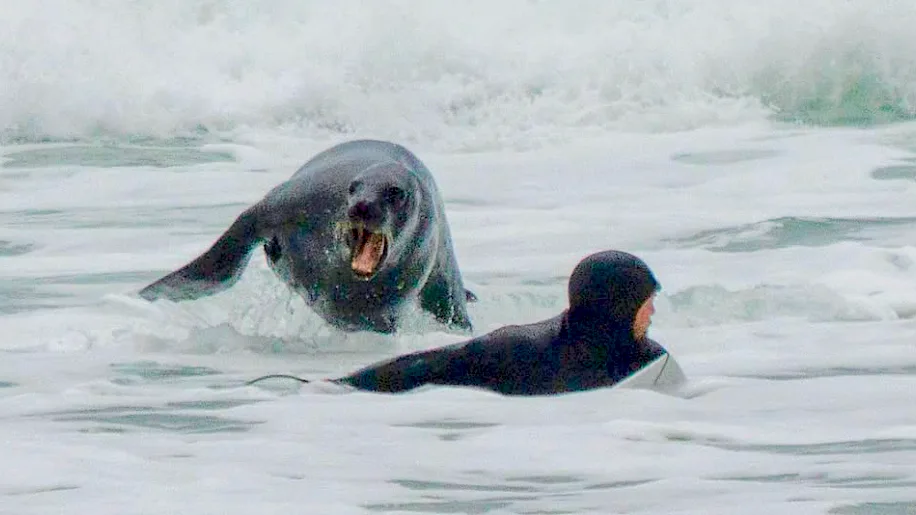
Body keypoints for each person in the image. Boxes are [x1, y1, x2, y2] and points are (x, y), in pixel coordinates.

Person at [324, 249, 669, 395]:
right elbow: (423, 367)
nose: (651, 313)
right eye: (645, 304)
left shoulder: (646, 363)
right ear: (618, 306)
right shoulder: (523, 351)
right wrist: (335, 389)